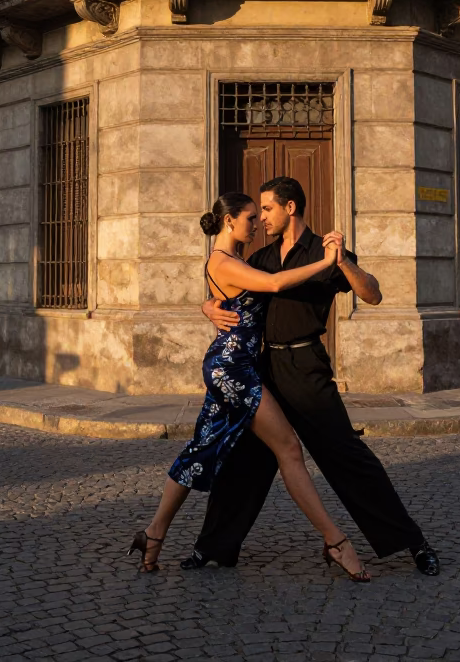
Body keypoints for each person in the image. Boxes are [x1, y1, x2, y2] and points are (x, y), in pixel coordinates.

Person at [181, 176, 440, 576]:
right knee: (245, 461)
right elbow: (230, 285)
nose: (262, 217)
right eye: (258, 211)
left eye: (267, 209)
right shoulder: (264, 258)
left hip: (308, 369)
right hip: (266, 371)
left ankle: (413, 543)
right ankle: (211, 547)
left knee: (348, 459)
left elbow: (372, 294)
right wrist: (206, 307)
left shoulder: (326, 250)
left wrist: (344, 262)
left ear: (290, 208)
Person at [128, 192, 371, 582]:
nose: (256, 224)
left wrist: (206, 305)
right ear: (229, 222)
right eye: (250, 218)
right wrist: (326, 262)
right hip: (233, 369)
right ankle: (336, 541)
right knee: (289, 448)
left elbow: (228, 299)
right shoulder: (224, 260)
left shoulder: (235, 261)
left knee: (199, 451)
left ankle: (152, 535)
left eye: (260, 217)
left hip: (233, 365)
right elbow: (274, 284)